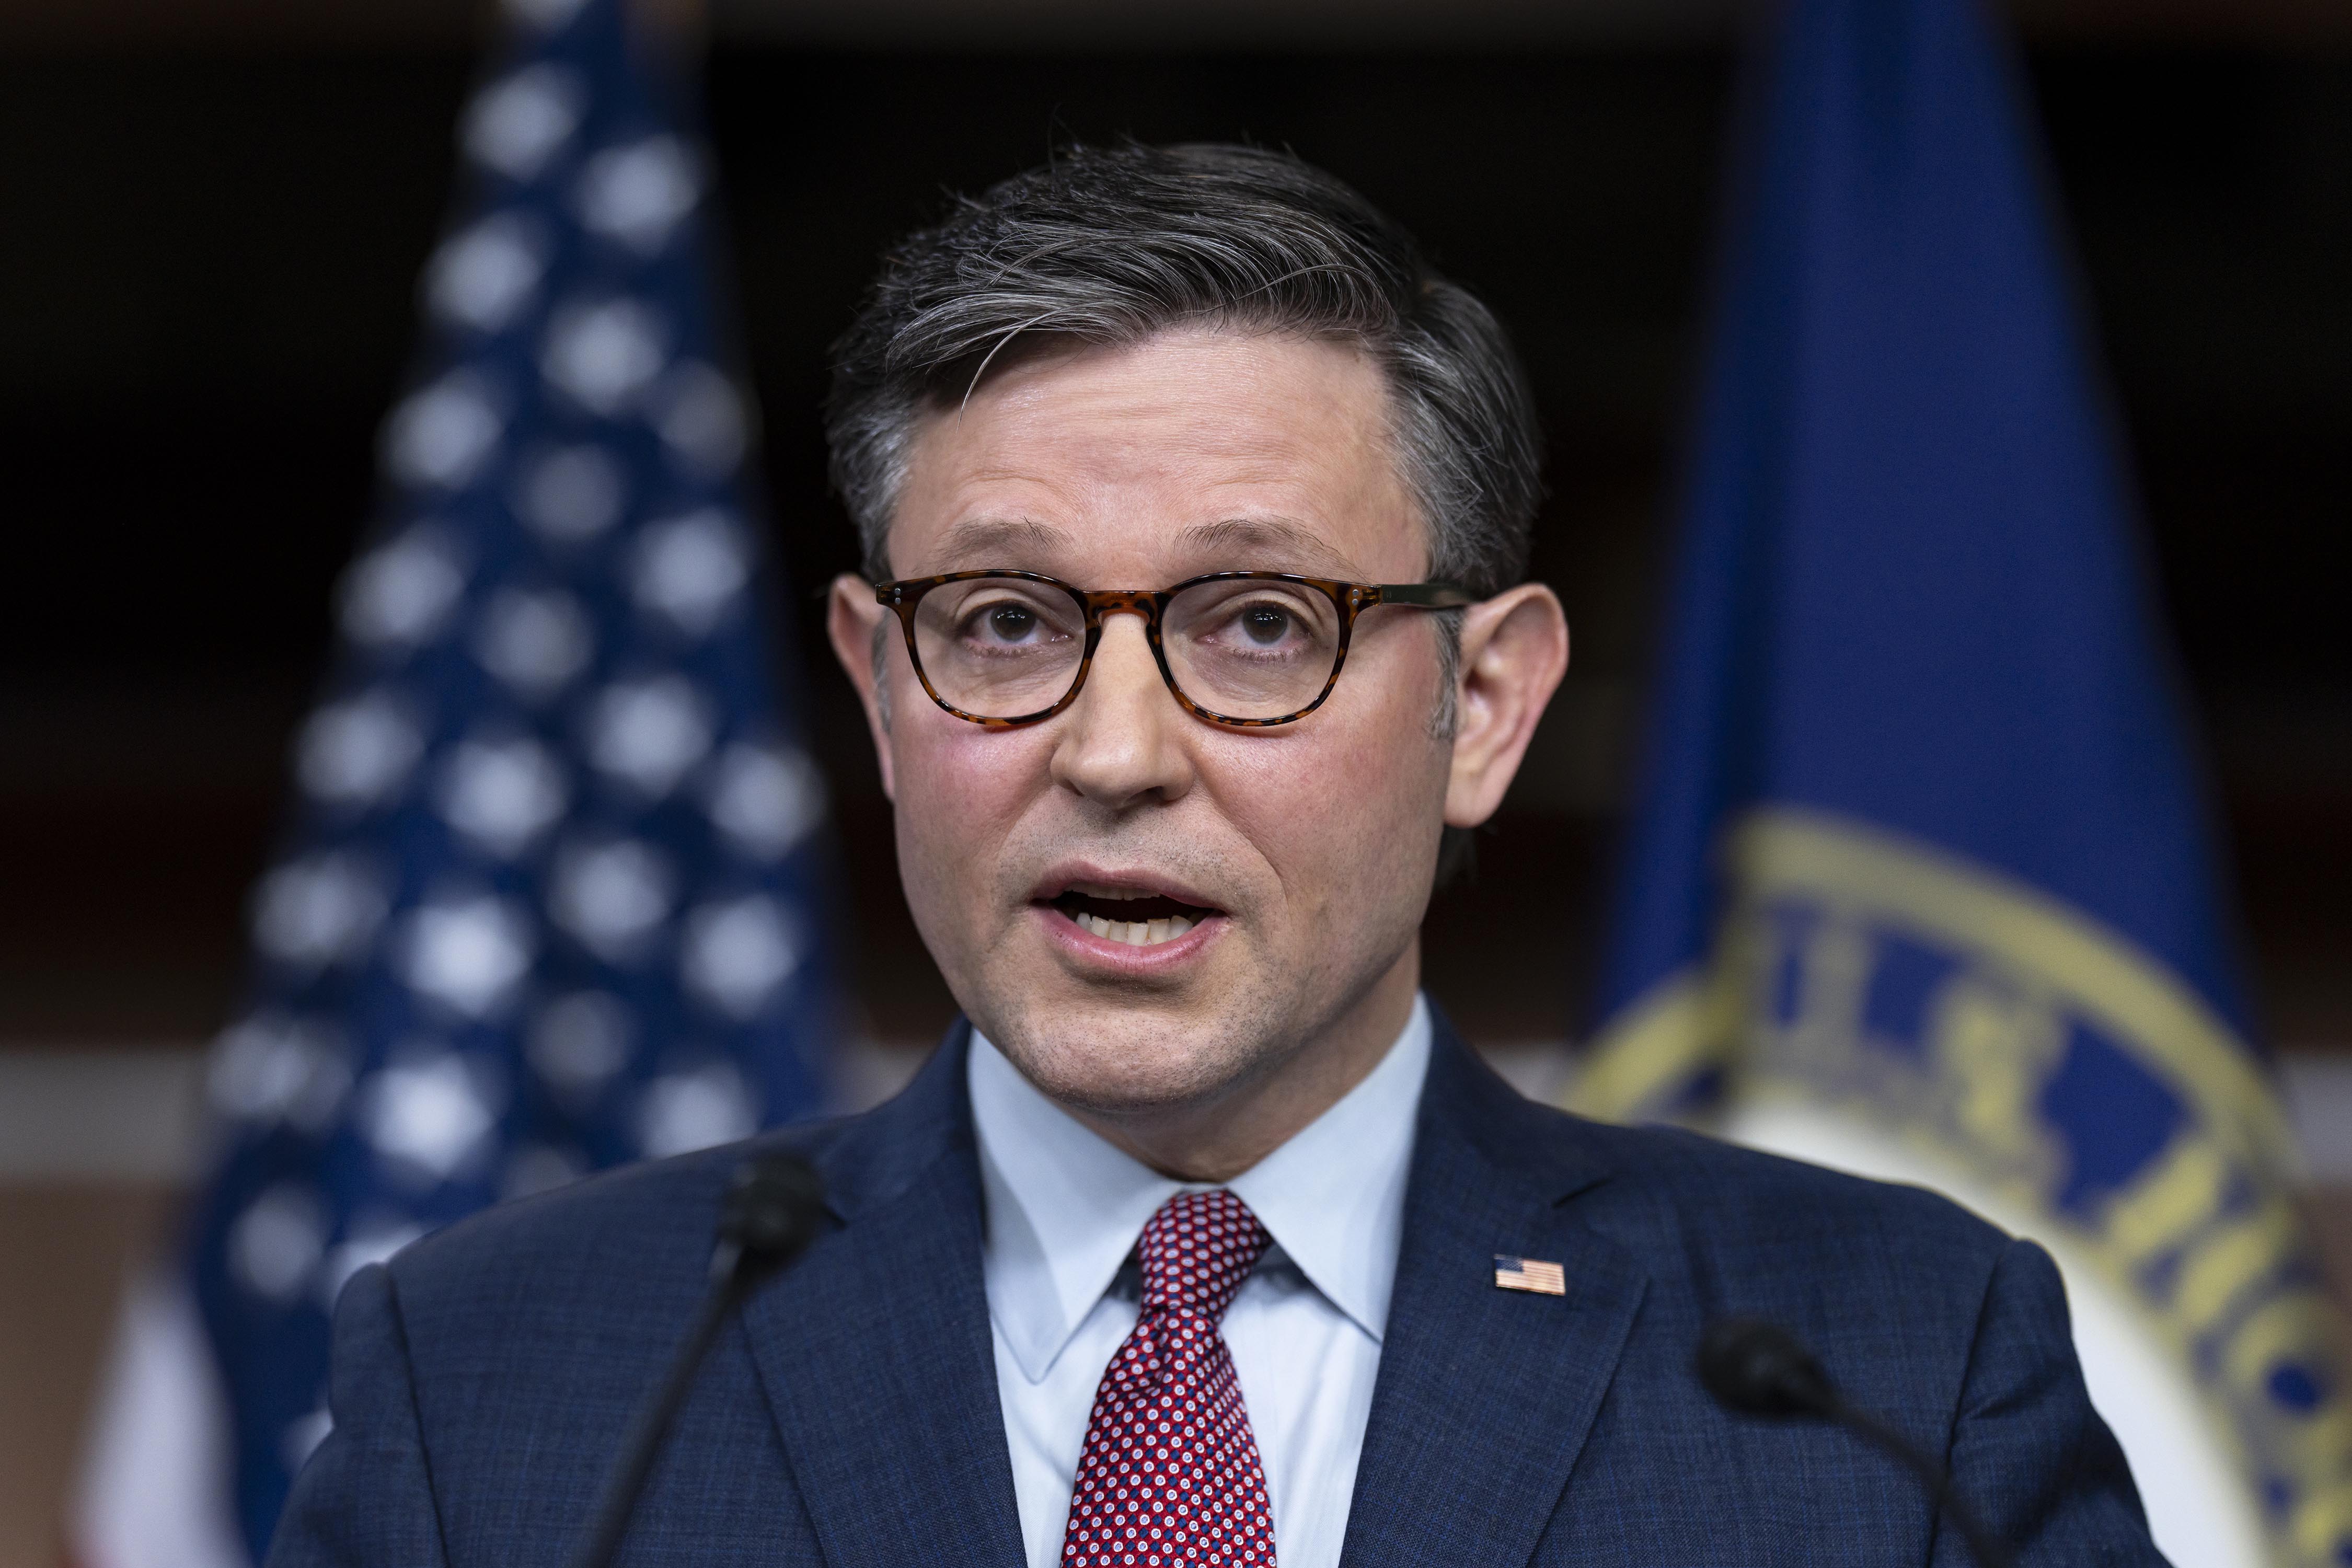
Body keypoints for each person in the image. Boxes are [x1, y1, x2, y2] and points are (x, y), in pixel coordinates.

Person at [272, 142, 2163, 1568]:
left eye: (1258, 624)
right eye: (1004, 624)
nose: (1110, 753)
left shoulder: (1886, 1368)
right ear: (872, 683)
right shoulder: (502, 1381)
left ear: (1485, 707)